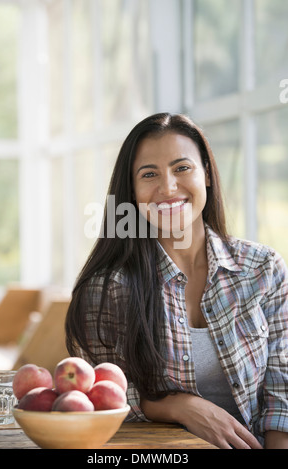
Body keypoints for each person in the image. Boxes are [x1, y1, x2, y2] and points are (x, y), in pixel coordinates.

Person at [65, 112, 288, 449]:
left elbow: (281, 388)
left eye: (182, 168)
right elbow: (100, 398)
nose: (168, 187)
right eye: (149, 174)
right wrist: (178, 406)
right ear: (133, 192)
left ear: (207, 175)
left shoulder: (263, 268)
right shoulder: (107, 290)